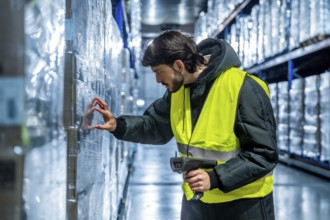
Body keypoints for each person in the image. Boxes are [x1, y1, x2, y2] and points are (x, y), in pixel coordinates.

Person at [84, 30, 278, 220]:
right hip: (196, 199)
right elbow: (154, 126)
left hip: (242, 204)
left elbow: (263, 154)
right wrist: (117, 125)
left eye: (159, 72)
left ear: (178, 65)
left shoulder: (243, 87)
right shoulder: (178, 91)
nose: (157, 80)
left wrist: (216, 178)